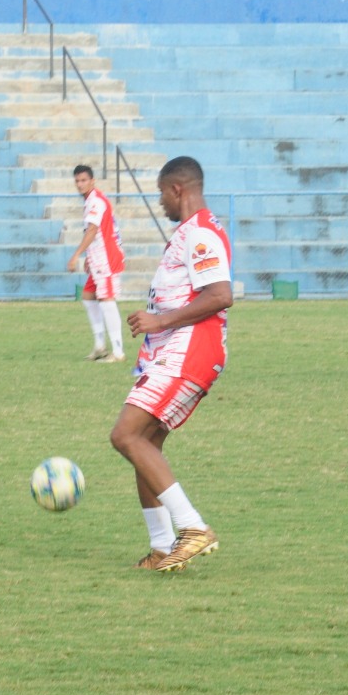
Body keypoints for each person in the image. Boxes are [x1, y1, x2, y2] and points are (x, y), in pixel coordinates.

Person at [109, 157, 233, 572]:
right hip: (172, 352)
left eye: (162, 192)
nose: (159, 201)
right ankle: (163, 546)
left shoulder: (200, 233)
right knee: (145, 444)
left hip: (190, 350)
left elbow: (219, 295)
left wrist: (160, 321)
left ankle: (193, 528)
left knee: (125, 436)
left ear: (177, 189)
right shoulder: (188, 234)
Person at [65, 164, 127, 362]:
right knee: (88, 297)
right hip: (98, 257)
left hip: (107, 258)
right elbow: (93, 231)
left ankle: (118, 352)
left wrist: (76, 255)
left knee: (107, 300)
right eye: (77, 181)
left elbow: (92, 230)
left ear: (92, 181)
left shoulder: (96, 202)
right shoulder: (91, 200)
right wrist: (89, 258)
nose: (80, 184)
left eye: (83, 180)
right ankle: (100, 346)